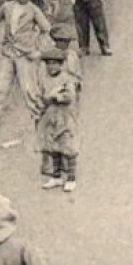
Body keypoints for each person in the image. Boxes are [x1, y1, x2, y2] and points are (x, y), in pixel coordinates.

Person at [0, 0, 53, 126]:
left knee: (28, 87)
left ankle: (38, 115)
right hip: (8, 52)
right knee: (1, 86)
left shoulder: (33, 10)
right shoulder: (7, 7)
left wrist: (37, 48)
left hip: (25, 53)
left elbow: (46, 29)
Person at [36, 48, 81, 192]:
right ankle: (56, 176)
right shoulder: (44, 78)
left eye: (55, 64)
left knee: (68, 146)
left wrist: (56, 96)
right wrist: (47, 98)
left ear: (61, 65)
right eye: (48, 64)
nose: (51, 67)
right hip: (51, 116)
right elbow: (42, 96)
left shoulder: (67, 78)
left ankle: (71, 178)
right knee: (53, 146)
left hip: (65, 116)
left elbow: (70, 97)